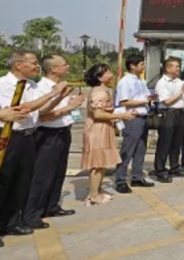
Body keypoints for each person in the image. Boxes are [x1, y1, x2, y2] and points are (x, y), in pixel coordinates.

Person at [0, 51, 67, 240]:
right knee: (4, 181)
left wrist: (58, 98)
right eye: (33, 63)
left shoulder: (32, 85)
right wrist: (52, 93)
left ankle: (11, 222)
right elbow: (22, 108)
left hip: (27, 136)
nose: (37, 66)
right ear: (18, 65)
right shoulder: (3, 85)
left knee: (21, 182)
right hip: (7, 137)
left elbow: (39, 109)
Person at [23, 55, 84, 227]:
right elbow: (42, 116)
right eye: (65, 65)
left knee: (58, 172)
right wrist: (68, 107)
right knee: (42, 175)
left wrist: (71, 104)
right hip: (47, 134)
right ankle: (32, 213)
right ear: (53, 69)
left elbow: (62, 111)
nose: (68, 67)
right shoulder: (41, 88)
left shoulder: (61, 87)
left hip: (63, 132)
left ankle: (51, 205)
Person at [82, 64, 136, 206]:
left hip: (104, 128)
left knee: (102, 162)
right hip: (97, 130)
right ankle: (93, 195)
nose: (111, 75)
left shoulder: (104, 90)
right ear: (99, 77)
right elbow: (98, 114)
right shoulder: (99, 93)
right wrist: (122, 115)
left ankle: (97, 191)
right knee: (97, 163)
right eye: (108, 73)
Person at [114, 54, 156, 193]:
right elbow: (124, 101)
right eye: (142, 64)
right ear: (133, 66)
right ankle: (120, 179)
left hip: (143, 116)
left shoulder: (141, 80)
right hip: (132, 118)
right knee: (128, 149)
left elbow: (142, 97)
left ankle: (137, 176)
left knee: (141, 149)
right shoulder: (125, 82)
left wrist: (149, 99)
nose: (144, 67)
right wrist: (143, 101)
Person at [153, 57, 184, 182]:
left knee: (177, 142)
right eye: (176, 66)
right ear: (168, 68)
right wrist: (181, 93)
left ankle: (174, 166)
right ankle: (160, 170)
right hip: (168, 113)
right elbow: (167, 101)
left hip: (179, 112)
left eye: (179, 66)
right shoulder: (162, 83)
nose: (178, 69)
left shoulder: (179, 81)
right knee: (165, 142)